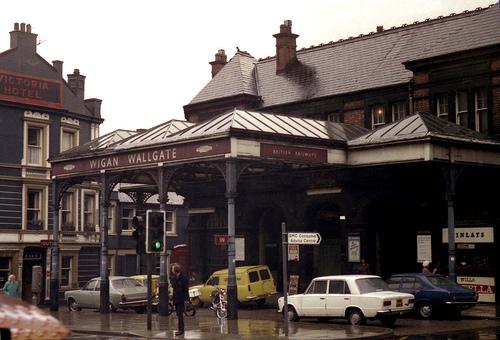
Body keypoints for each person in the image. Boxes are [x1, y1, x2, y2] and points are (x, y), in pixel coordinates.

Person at [170, 263, 189, 336]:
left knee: (180, 314)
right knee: (178, 314)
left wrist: (186, 300)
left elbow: (185, 289)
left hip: (181, 299)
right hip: (176, 298)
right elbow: (173, 285)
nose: (172, 271)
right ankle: (180, 329)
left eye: (172, 270)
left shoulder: (183, 278)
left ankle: (181, 330)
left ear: (175, 270)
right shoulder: (174, 277)